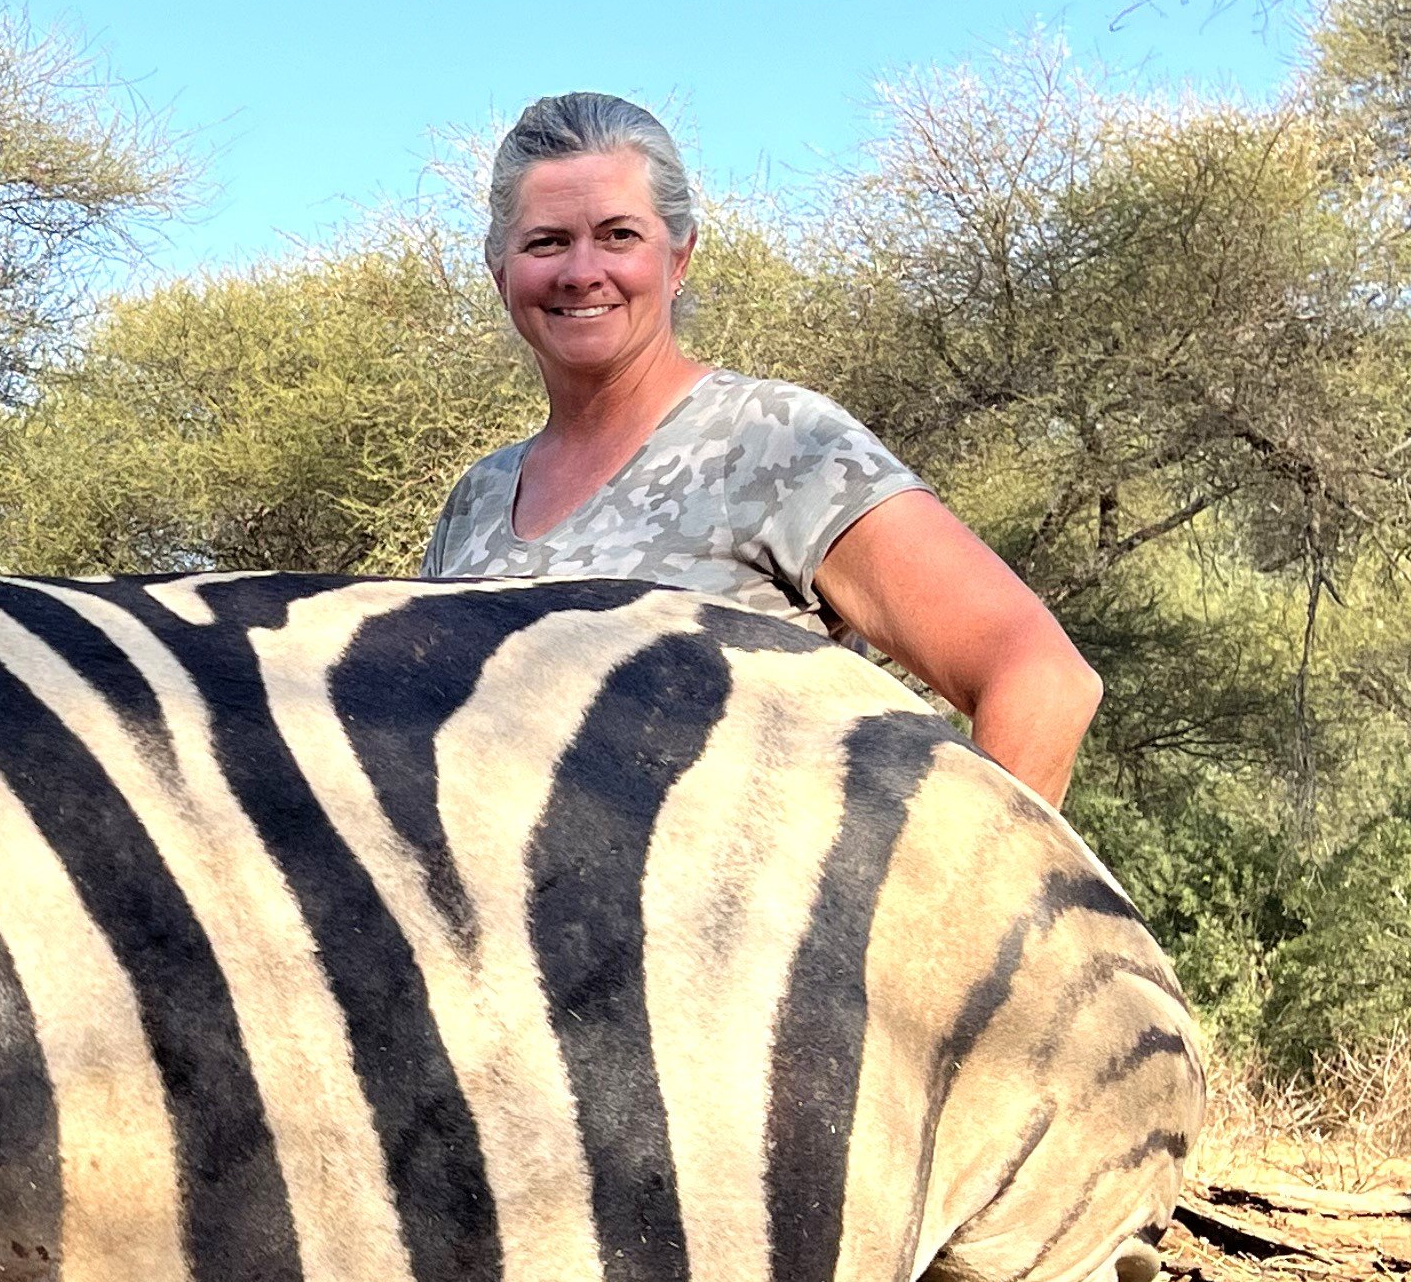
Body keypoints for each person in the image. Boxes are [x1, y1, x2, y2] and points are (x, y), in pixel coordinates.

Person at [421, 90, 1103, 806]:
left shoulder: (776, 441)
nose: (582, 270)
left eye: (619, 235)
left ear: (678, 258)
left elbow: (1041, 677)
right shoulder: (478, 501)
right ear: (501, 274)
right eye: (547, 241)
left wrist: (962, 910)